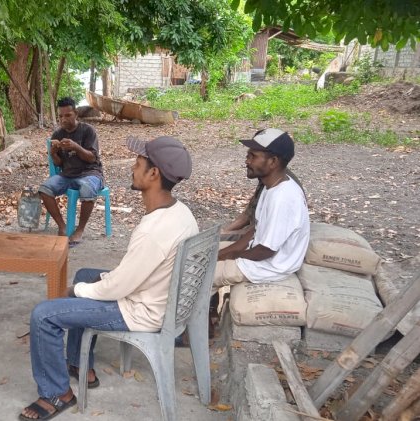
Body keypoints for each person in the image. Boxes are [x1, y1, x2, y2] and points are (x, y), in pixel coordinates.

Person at [20, 136, 198, 420]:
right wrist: (87, 284)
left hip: (141, 310)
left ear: (154, 174)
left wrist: (75, 291)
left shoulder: (154, 230)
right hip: (155, 295)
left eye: (138, 164)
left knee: (44, 315)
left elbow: (119, 287)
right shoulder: (180, 211)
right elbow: (132, 274)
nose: (132, 167)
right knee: (85, 274)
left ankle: (57, 393)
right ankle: (81, 366)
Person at [213, 128, 310, 290]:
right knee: (203, 256)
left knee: (194, 274)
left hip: (268, 267)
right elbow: (256, 231)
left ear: (273, 161)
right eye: (248, 155)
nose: (247, 161)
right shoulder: (270, 186)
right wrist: (222, 255)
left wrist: (231, 256)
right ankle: (211, 311)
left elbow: (264, 251)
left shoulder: (283, 198)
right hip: (257, 257)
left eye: (253, 156)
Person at [39, 97, 104, 245]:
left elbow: (92, 158)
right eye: (61, 116)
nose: (63, 119)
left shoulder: (88, 131)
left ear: (75, 114)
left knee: (87, 188)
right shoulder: (57, 135)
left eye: (67, 115)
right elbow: (59, 163)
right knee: (44, 189)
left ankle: (79, 229)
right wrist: (54, 153)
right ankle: (62, 227)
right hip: (68, 174)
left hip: (90, 172)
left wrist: (76, 147)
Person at [221, 168, 304, 241]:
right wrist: (224, 231)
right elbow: (247, 215)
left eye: (254, 157)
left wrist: (222, 235)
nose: (247, 161)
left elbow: (256, 232)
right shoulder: (268, 177)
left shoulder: (279, 190)